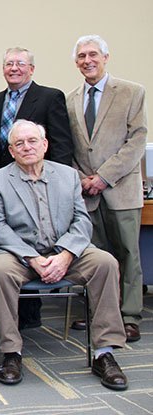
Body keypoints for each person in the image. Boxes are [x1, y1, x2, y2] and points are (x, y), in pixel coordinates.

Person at [0, 119, 128, 390]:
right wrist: (33, 259)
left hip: (66, 252)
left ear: (45, 145)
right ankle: (11, 352)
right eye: (19, 143)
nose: (27, 147)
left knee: (105, 263)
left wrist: (65, 255)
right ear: (11, 150)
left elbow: (81, 221)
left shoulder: (68, 175)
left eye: (32, 141)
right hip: (19, 256)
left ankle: (104, 353)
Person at [66, 35, 147, 343]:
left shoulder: (131, 92)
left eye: (93, 55)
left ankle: (129, 316)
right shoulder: (71, 99)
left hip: (120, 190)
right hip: (87, 194)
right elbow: (71, 147)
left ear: (106, 57)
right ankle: (100, 314)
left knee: (128, 254)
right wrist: (82, 178)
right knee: (96, 257)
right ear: (76, 63)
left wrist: (103, 176)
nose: (88, 60)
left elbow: (136, 141)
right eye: (82, 56)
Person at [0, 47, 74, 330]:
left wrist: (59, 180)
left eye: (20, 64)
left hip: (41, 181)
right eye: (9, 64)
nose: (14, 68)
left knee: (38, 238)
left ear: (32, 69)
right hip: (3, 182)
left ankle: (30, 315)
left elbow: (60, 144)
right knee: (10, 243)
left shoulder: (50, 97)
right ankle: (14, 318)